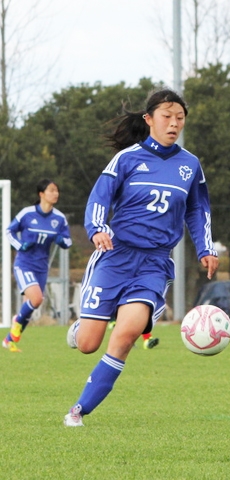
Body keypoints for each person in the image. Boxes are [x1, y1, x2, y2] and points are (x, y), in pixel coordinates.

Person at [64, 88, 218, 427]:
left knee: (127, 334)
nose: (174, 123)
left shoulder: (189, 165)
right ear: (149, 120)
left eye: (180, 118)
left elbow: (197, 209)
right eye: (167, 116)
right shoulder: (127, 159)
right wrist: (98, 228)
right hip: (115, 257)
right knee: (89, 343)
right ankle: (79, 329)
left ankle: (78, 411)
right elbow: (99, 199)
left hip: (153, 264)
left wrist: (205, 248)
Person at [3, 179, 72, 352]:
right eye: (51, 190)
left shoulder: (59, 218)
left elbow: (68, 240)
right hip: (24, 263)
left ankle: (9, 340)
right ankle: (16, 322)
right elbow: (9, 231)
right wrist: (19, 246)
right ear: (41, 194)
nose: (55, 193)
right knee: (37, 298)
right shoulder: (27, 213)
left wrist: (62, 241)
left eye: (57, 190)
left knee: (33, 305)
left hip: (42, 267)